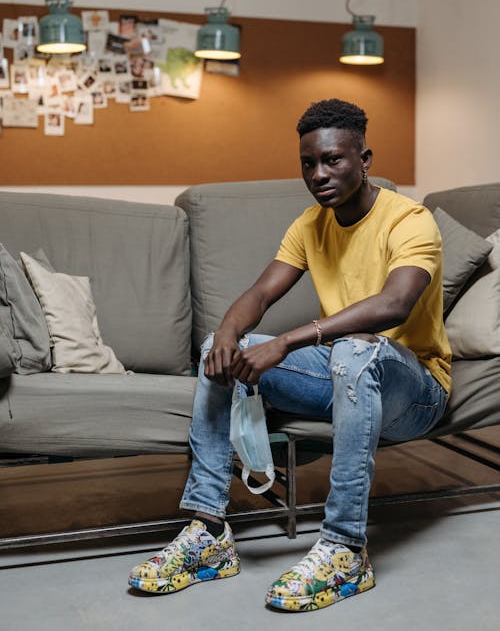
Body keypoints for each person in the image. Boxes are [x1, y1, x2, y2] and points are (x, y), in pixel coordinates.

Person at [128, 98, 451, 612]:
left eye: (333, 160)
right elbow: (258, 297)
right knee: (219, 349)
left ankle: (344, 546)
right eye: (308, 163)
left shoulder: (409, 220)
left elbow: (395, 303)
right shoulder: (309, 225)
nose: (318, 174)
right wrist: (230, 332)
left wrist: (286, 342)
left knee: (353, 351)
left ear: (365, 159)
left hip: (415, 393)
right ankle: (209, 530)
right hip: (345, 377)